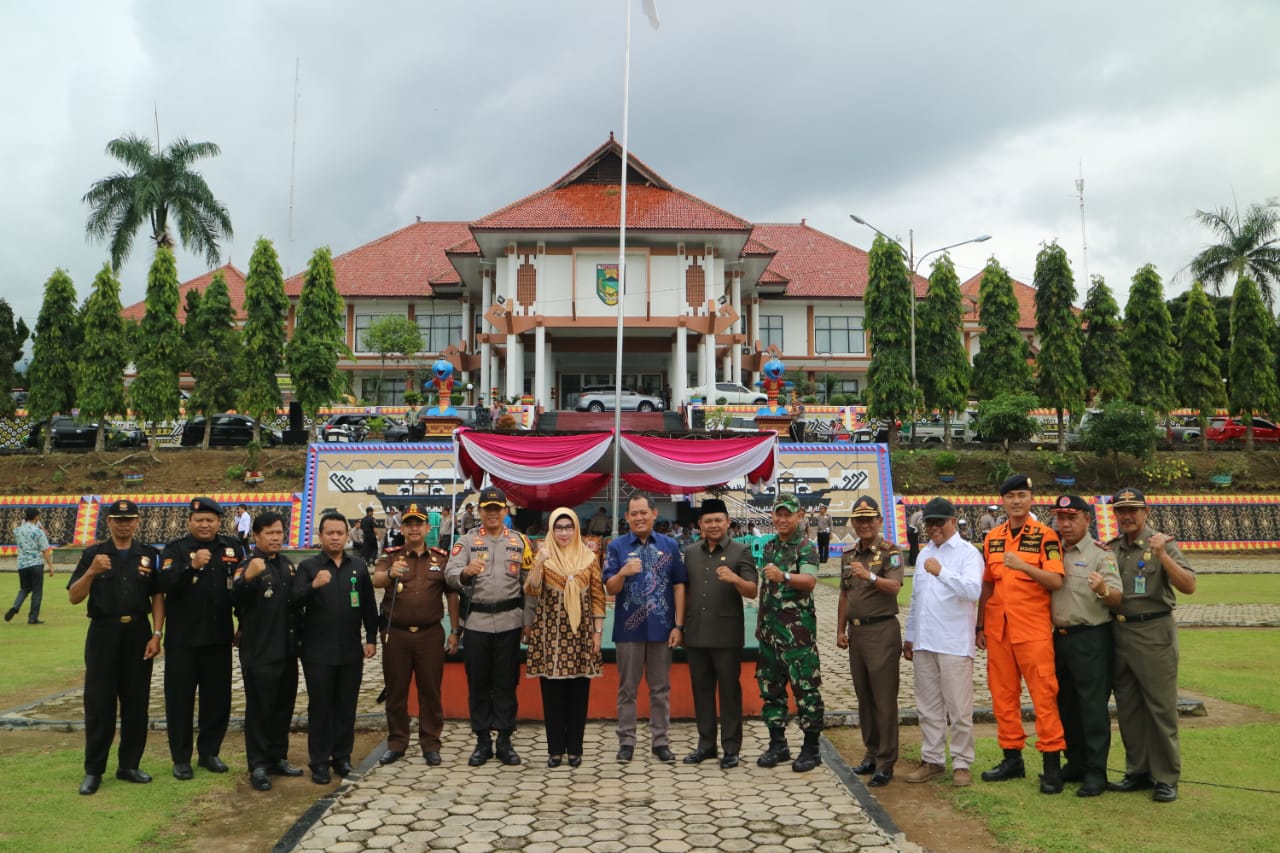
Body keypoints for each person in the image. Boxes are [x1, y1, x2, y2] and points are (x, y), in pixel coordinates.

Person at [66, 499, 164, 795]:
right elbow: (74, 596)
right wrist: (92, 572)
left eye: (130, 519)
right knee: (99, 704)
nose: (124, 524)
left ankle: (129, 765)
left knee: (136, 703)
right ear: (108, 522)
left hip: (138, 631)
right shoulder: (93, 554)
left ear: (137, 522)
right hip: (103, 633)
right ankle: (94, 770)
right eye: (118, 520)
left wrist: (157, 634)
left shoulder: (148, 555)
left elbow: (158, 595)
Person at [977, 474, 1067, 794]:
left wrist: (1024, 566)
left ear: (1031, 499)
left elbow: (1056, 581)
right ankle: (1012, 758)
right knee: (1003, 697)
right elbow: (988, 583)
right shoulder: (993, 537)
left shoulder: (1046, 537)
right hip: (998, 629)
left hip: (1032, 629)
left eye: (1022, 495)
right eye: (1010, 496)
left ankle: (1052, 767)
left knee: (1044, 696)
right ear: (1002, 501)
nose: (1016, 501)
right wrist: (980, 626)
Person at [1106, 487, 1196, 803]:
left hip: (1154, 631)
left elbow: (1188, 586)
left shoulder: (1162, 544)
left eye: (1133, 510)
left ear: (1146, 512)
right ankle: (1138, 771)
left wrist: (1161, 556)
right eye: (1120, 510)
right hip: (1120, 634)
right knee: (1129, 709)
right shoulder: (1113, 548)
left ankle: (1166, 777)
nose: (1127, 516)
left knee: (1160, 708)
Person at [446, 486, 533, 767]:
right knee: (479, 683)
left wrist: (528, 623)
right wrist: (464, 573)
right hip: (477, 623)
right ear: (480, 512)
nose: (493, 513)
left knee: (506, 683)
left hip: (509, 621)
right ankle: (483, 740)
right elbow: (449, 575)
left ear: (505, 511)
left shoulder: (520, 542)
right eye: (487, 509)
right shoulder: (467, 541)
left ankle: (505, 740)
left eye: (498, 509)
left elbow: (529, 586)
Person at [157, 497, 243, 780]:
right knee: (179, 701)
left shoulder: (233, 547)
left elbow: (242, 591)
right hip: (183, 640)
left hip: (219, 638)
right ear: (189, 522)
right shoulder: (176, 549)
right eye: (199, 520)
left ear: (219, 522)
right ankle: (181, 758)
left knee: (217, 700)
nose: (205, 524)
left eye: (210, 520)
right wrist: (191, 566)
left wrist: (243, 623)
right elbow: (165, 584)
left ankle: (209, 753)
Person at [902, 497, 983, 787]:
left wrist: (943, 572)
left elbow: (974, 590)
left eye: (939, 522)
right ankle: (932, 759)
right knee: (928, 706)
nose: (933, 528)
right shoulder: (925, 554)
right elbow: (916, 599)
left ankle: (962, 763)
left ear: (953, 521)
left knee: (959, 708)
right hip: (925, 640)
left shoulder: (967, 553)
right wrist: (910, 635)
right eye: (929, 523)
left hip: (953, 641)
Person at [293, 513, 379, 784]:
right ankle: (319, 761)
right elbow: (293, 600)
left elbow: (368, 605)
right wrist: (312, 586)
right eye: (329, 533)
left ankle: (341, 756)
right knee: (320, 707)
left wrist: (371, 638)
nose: (335, 537)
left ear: (347, 535)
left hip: (350, 649)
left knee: (346, 705)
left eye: (340, 533)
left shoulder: (358, 566)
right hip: (317, 651)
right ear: (320, 536)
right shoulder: (308, 567)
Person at [602, 494, 688, 763]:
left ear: (654, 513)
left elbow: (679, 586)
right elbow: (610, 588)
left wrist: (679, 625)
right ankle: (626, 741)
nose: (639, 518)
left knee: (660, 688)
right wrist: (623, 572)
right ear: (626, 517)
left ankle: (660, 741)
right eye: (633, 513)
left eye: (643, 512)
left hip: (662, 630)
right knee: (627, 688)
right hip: (629, 629)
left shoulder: (670, 546)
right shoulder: (616, 547)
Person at [372, 504, 458, 766]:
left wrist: (454, 630)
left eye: (418, 523)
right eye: (409, 524)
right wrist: (389, 574)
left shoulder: (441, 558)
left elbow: (451, 594)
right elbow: (375, 580)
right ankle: (397, 742)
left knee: (430, 691)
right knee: (396, 691)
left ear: (427, 528)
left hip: (429, 635)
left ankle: (430, 743)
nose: (413, 528)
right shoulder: (391, 556)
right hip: (396, 635)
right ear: (402, 528)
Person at [1049, 495, 1122, 798]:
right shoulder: (1051, 550)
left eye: (1072, 518)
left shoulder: (1099, 554)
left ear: (1087, 520)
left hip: (1090, 637)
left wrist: (1102, 589)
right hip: (1058, 638)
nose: (1065, 524)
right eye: (1060, 518)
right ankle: (1075, 763)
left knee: (1092, 708)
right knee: (1065, 705)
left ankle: (1096, 772)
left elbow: (1117, 597)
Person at [524, 507, 606, 767]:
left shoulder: (589, 558)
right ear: (551, 530)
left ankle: (575, 750)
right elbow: (532, 590)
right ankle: (555, 750)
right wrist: (539, 561)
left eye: (568, 527)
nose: (563, 533)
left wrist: (597, 633)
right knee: (552, 695)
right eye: (558, 528)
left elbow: (597, 597)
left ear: (576, 529)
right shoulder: (544, 555)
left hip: (580, 635)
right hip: (550, 635)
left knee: (578, 694)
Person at [681, 498, 758, 769]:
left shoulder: (741, 551)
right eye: (708, 521)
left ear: (727, 522)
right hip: (696, 633)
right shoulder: (690, 552)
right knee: (701, 691)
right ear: (700, 525)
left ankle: (731, 747)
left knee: (728, 692)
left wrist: (735, 579)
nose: (713, 525)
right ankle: (705, 745)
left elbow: (752, 590)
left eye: (718, 520)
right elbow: (684, 591)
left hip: (726, 635)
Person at [231, 510, 303, 792]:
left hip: (286, 650)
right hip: (260, 651)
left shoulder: (287, 565)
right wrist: (248, 578)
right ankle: (258, 765)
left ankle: (277, 757)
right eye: (269, 533)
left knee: (283, 707)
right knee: (260, 710)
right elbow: (235, 597)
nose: (275, 538)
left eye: (279, 533)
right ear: (257, 535)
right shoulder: (247, 565)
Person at [837, 496, 904, 787]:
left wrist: (870, 577)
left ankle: (886, 761)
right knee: (864, 696)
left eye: (869, 520)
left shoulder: (891, 552)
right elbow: (844, 594)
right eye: (859, 520)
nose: (864, 525)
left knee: (884, 699)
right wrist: (840, 629)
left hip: (882, 632)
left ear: (879, 522)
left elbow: (895, 587)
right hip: (857, 634)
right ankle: (871, 753)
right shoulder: (848, 554)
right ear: (853, 523)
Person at [756, 494, 825, 773]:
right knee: (771, 690)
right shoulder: (770, 547)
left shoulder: (806, 548)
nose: (782, 519)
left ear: (799, 516)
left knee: (806, 691)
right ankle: (778, 744)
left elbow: (809, 581)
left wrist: (784, 576)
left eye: (788, 515)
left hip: (797, 636)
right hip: (769, 634)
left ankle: (811, 748)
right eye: (778, 514)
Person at [7, 507, 54, 624]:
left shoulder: (17, 531)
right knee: (37, 591)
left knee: (24, 589)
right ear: (36, 517)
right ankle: (33, 617)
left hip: (22, 563)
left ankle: (16, 606)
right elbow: (44, 550)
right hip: (35, 563)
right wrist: (51, 565)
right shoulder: (38, 532)